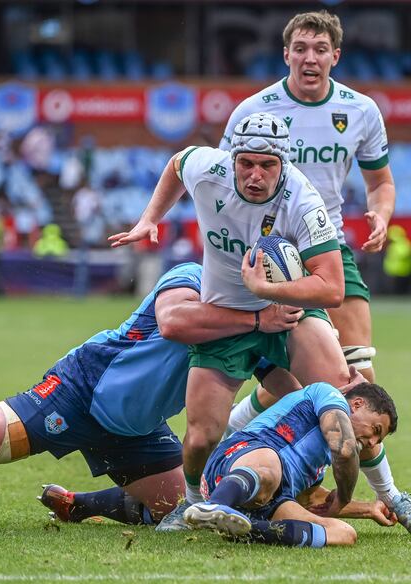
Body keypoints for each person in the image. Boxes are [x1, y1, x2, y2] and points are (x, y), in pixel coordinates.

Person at [0, 262, 302, 524]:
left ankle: (80, 504)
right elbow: (174, 324)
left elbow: (286, 392)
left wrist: (323, 411)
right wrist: (258, 320)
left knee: (188, 510)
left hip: (137, 430)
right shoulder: (190, 278)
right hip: (80, 390)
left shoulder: (249, 334)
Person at [218, 11, 411, 535]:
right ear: (287, 53)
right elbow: (228, 182)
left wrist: (381, 214)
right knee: (296, 382)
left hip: (328, 250)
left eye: (321, 48)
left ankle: (390, 497)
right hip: (268, 250)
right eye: (301, 48)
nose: (310, 57)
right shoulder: (254, 111)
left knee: (359, 381)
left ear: (335, 56)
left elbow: (381, 181)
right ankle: (234, 445)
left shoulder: (360, 110)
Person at [109, 112, 356, 529]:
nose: (255, 175)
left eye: (267, 165)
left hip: (288, 310)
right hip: (225, 315)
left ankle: (386, 493)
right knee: (203, 435)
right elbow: (176, 164)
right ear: (232, 158)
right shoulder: (209, 168)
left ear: (284, 165)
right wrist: (150, 218)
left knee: (338, 391)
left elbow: (331, 288)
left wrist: (269, 293)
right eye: (246, 163)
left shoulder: (303, 199)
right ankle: (190, 505)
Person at [184, 381, 398, 547]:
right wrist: (343, 497)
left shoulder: (319, 462)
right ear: (357, 404)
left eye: (378, 441)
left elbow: (311, 498)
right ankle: (214, 504)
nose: (372, 442)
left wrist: (368, 509)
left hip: (268, 498)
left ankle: (247, 529)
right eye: (376, 430)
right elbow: (344, 449)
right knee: (270, 469)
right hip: (236, 459)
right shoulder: (327, 394)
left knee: (342, 533)